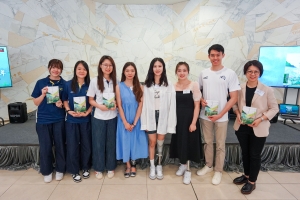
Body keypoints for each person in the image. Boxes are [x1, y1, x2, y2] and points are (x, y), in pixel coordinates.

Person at [232, 60, 279, 194]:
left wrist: (261, 118)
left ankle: (252, 182)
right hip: (242, 126)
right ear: (246, 73)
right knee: (245, 153)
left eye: (256, 71)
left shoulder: (267, 89)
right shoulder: (239, 88)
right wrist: (237, 113)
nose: (252, 74)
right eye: (250, 71)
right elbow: (234, 104)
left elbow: (274, 108)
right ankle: (246, 175)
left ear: (260, 73)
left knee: (254, 154)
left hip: (258, 127)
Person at [197, 44, 241, 185]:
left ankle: (218, 170)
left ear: (223, 55)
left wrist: (221, 113)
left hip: (221, 117)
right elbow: (198, 93)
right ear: (209, 56)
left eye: (218, 55)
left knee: (220, 144)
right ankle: (209, 165)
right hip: (206, 115)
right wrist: (202, 100)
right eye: (212, 55)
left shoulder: (230, 74)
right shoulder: (203, 73)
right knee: (208, 142)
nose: (215, 58)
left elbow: (234, 97)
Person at [141, 57, 176, 180]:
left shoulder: (169, 85)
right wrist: (144, 122)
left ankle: (159, 165)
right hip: (150, 116)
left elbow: (172, 104)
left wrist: (171, 122)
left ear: (163, 68)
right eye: (155, 66)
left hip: (163, 116)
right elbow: (144, 105)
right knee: (152, 142)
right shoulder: (146, 85)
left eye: (159, 66)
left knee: (160, 143)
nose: (157, 68)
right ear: (152, 68)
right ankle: (152, 166)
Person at [31, 59, 66, 183]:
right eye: (53, 67)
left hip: (59, 119)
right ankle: (47, 171)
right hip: (43, 120)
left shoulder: (64, 84)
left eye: (58, 68)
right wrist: (43, 94)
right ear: (49, 68)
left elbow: (66, 104)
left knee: (60, 145)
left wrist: (61, 104)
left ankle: (61, 169)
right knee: (45, 146)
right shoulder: (41, 83)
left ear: (61, 69)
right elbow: (36, 102)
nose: (56, 70)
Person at [169, 62, 203, 185]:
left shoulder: (194, 85)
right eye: (179, 70)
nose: (182, 73)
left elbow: (197, 105)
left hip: (190, 119)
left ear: (188, 71)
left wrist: (194, 122)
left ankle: (188, 171)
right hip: (177, 120)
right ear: (176, 72)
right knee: (180, 142)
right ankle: (183, 165)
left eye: (184, 70)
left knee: (189, 142)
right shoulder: (173, 86)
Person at [87, 55, 117, 179]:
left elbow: (118, 99)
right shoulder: (94, 81)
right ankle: (98, 168)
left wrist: (115, 104)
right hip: (98, 117)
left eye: (110, 65)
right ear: (100, 66)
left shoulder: (116, 81)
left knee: (111, 143)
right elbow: (90, 100)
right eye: (105, 65)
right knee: (98, 143)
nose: (108, 67)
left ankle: (110, 167)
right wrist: (100, 106)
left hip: (112, 117)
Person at [116, 62, 148, 178]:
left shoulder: (140, 86)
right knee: (125, 141)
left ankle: (134, 163)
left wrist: (134, 122)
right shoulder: (118, 86)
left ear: (135, 72)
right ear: (124, 72)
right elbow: (119, 105)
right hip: (123, 119)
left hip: (136, 119)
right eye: (127, 70)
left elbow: (140, 105)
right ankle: (128, 165)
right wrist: (125, 122)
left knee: (135, 141)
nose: (130, 73)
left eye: (132, 70)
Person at [62, 60, 93, 183]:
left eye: (84, 69)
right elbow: (64, 99)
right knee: (73, 146)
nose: (81, 71)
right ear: (75, 70)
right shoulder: (68, 84)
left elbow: (93, 102)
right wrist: (69, 110)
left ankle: (85, 168)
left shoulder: (90, 85)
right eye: (79, 68)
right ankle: (74, 171)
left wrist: (87, 112)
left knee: (86, 145)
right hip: (71, 121)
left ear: (87, 71)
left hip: (86, 120)